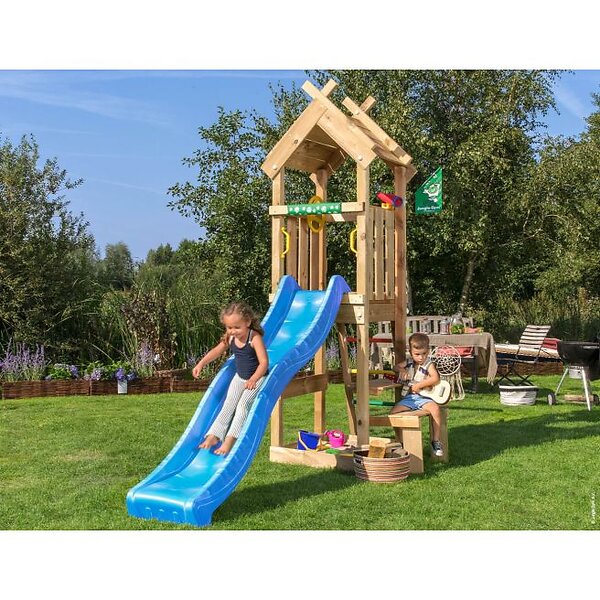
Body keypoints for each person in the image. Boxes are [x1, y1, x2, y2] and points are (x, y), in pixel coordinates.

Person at [192, 301, 269, 456]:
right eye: (229, 327)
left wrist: (254, 379)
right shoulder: (230, 337)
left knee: (242, 406)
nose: (233, 331)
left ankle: (229, 441)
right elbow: (217, 351)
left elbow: (264, 362)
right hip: (239, 378)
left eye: (237, 327)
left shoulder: (254, 338)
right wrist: (201, 363)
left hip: (257, 378)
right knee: (228, 405)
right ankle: (214, 436)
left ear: (248, 322)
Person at [392, 332, 445, 457]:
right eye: (417, 354)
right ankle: (400, 441)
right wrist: (402, 370)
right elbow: (395, 367)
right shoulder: (409, 362)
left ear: (428, 351)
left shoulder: (428, 364)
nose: (421, 357)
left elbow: (435, 378)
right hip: (410, 399)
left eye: (424, 353)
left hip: (425, 398)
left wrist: (419, 385)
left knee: (435, 409)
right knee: (393, 414)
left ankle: (436, 441)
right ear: (410, 352)